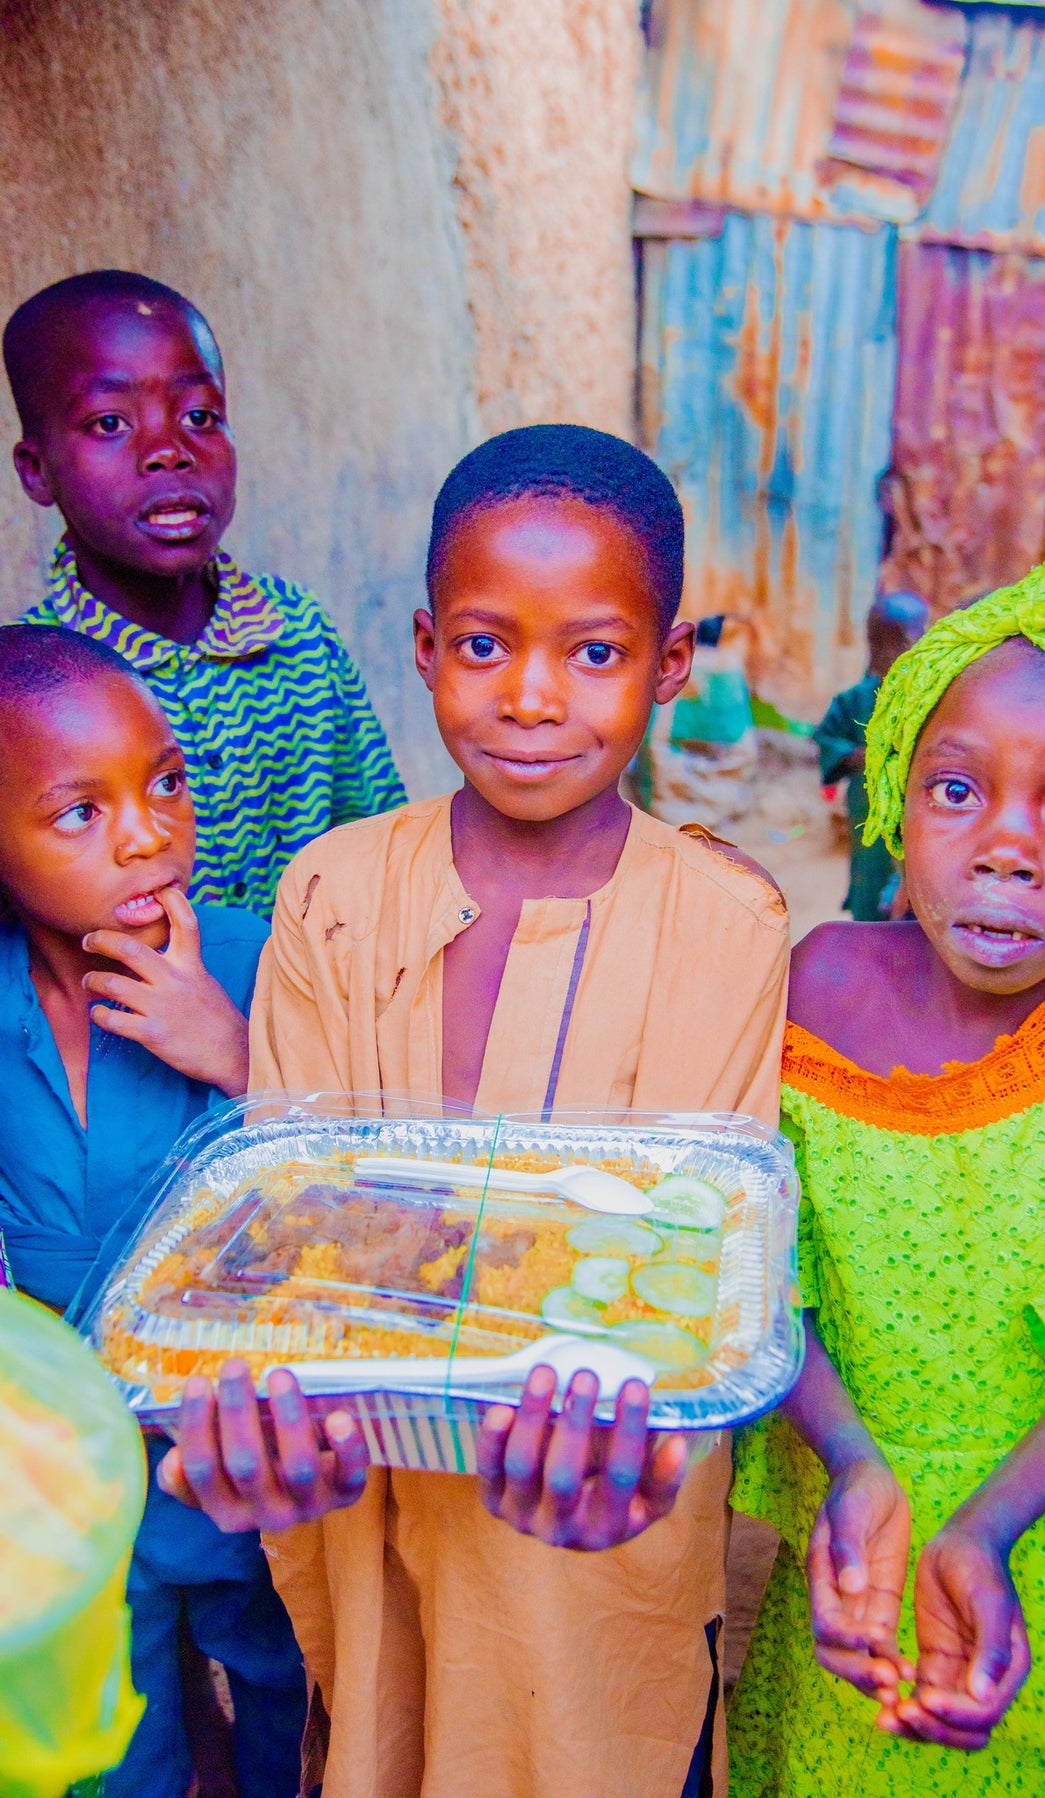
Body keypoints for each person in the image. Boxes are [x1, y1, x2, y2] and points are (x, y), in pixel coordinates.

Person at [158, 423, 792, 1798]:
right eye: (487, 644)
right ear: (426, 644)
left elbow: (688, 1259)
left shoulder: (726, 923)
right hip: (363, 1508)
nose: (531, 697)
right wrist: (259, 1417)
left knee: (589, 1738)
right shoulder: (334, 894)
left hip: (598, 1512)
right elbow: (296, 1221)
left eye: (596, 652)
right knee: (379, 1729)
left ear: (671, 663)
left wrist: (643, 1432)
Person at [730, 559, 1045, 1797]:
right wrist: (852, 1461)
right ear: (893, 793)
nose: (1007, 848)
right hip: (853, 1563)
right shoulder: (815, 983)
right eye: (956, 789)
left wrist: (985, 1527)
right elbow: (768, 1277)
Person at [0, 624, 307, 1798]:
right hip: (65, 1470)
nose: (146, 834)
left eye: (166, 784)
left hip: (243, 1452)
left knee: (286, 1680)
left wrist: (230, 1050)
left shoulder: (253, 960)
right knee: (118, 1731)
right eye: (81, 811)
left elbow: (354, 1191)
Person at [4, 269, 404, 918]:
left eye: (199, 416)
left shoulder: (298, 632)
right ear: (36, 470)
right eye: (109, 423)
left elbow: (381, 846)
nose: (168, 451)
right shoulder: (30, 693)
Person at [814, 590, 928, 921]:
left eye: (903, 641)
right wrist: (866, 756)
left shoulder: (932, 697)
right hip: (867, 806)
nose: (889, 652)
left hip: (916, 809)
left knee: (916, 881)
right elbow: (828, 739)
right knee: (869, 877)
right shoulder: (855, 699)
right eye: (880, 643)